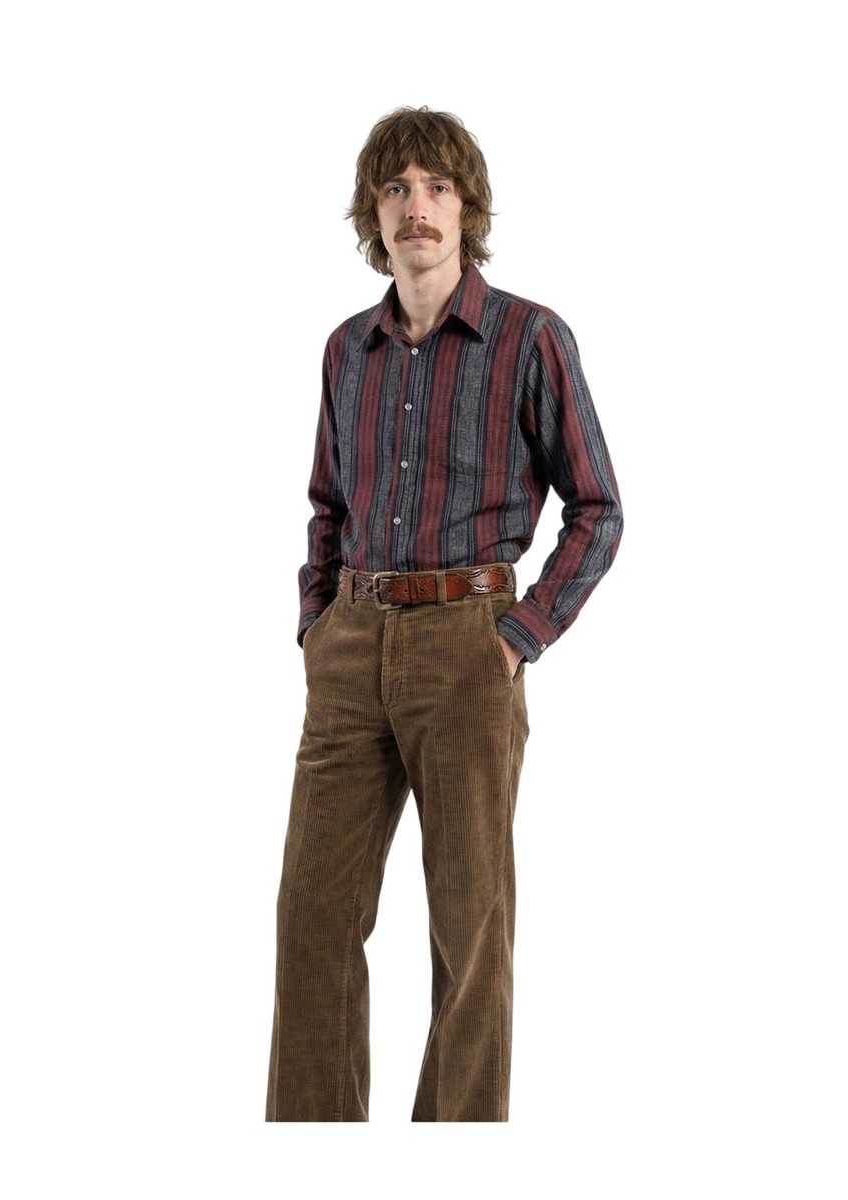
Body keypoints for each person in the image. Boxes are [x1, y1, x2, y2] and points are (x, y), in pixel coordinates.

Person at [265, 106, 622, 1122]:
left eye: (437, 187)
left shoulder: (531, 337)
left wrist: (519, 636)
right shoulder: (348, 350)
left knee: (469, 932)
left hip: (469, 649)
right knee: (312, 920)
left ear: (468, 209)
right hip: (351, 647)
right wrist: (317, 625)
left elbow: (598, 508)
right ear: (371, 214)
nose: (415, 206)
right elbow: (328, 503)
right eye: (395, 188)